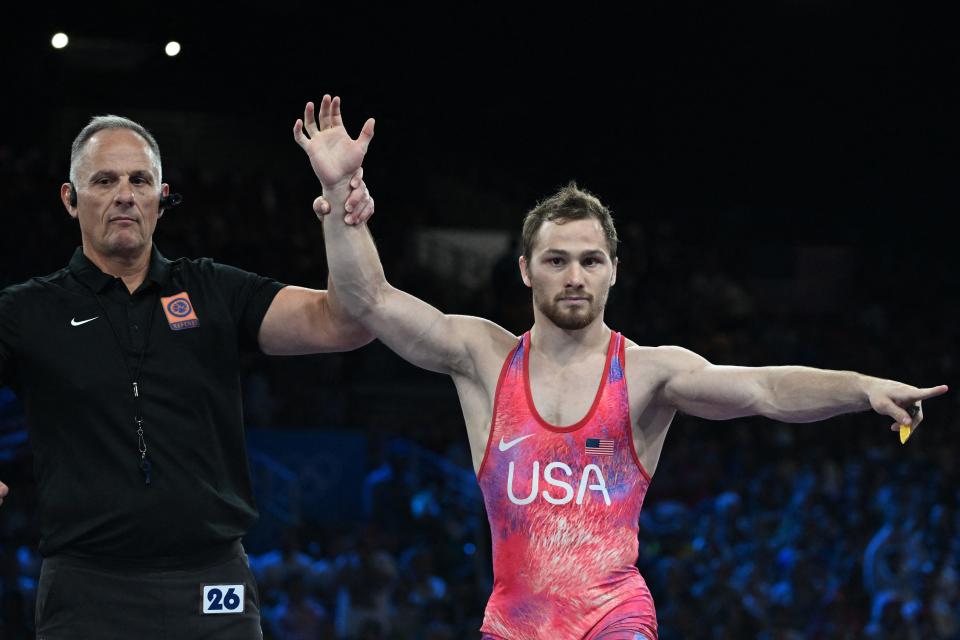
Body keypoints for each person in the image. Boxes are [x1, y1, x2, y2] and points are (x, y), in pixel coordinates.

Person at [292, 95, 949, 640]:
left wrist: (861, 387)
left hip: (616, 619)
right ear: (525, 269)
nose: (574, 276)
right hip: (511, 624)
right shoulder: (481, 355)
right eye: (556, 260)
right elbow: (366, 300)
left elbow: (764, 388)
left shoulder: (647, 373)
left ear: (613, 270)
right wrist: (337, 187)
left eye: (590, 260)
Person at [0, 114, 374, 639]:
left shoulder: (213, 290)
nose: (125, 195)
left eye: (140, 180)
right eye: (104, 181)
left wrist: (340, 199)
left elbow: (348, 322)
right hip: (85, 590)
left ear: (162, 196)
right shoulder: (26, 311)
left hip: (212, 585)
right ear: (69, 198)